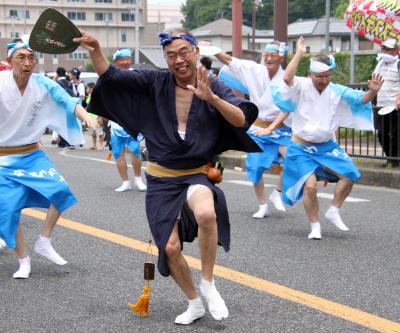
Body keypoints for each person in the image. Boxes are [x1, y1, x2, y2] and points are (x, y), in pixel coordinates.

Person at [75, 28, 260, 324]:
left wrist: (211, 99)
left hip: (195, 174)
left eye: (184, 52)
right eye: (171, 55)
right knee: (170, 248)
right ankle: (194, 302)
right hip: (162, 179)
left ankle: (208, 283)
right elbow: (111, 76)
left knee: (207, 214)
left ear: (196, 52)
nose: (178, 60)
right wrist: (95, 49)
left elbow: (241, 119)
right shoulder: (155, 80)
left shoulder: (212, 85)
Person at [265, 37, 383, 240]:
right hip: (301, 148)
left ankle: (334, 210)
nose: (324, 80)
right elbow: (286, 79)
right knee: (310, 186)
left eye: (327, 76)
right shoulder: (301, 85)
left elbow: (360, 99)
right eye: (319, 76)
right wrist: (299, 53)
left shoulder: (336, 90)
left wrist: (372, 91)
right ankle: (315, 225)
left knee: (350, 174)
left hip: (326, 147)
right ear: (310, 73)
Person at [0, 40, 95, 278]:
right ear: (11, 60)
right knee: (11, 211)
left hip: (32, 154)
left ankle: (44, 240)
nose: (27, 63)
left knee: (60, 192)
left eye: (31, 58)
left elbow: (68, 101)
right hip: (3, 159)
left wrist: (85, 117)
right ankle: (23, 260)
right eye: (21, 57)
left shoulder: (42, 83)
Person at [215, 41, 291, 218]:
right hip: (258, 127)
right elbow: (229, 60)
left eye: (273, 55)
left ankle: (277, 192)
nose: (268, 58)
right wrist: (210, 49)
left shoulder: (286, 78)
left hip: (280, 128)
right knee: (255, 167)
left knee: (293, 158)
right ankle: (262, 204)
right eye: (266, 55)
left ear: (281, 57)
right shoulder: (254, 70)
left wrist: (272, 128)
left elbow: (288, 108)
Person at [108, 48, 147, 192]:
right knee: (118, 153)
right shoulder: (111, 76)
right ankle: (125, 182)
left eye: (127, 59)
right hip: (115, 122)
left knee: (136, 151)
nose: (125, 61)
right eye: (122, 59)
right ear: (116, 61)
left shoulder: (136, 75)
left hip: (133, 121)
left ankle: (138, 179)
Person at [373, 38, 400, 167]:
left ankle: (394, 159)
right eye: (383, 49)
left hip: (394, 105)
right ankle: (391, 157)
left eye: (387, 49)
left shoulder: (398, 64)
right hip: (380, 104)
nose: (384, 51)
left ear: (396, 51)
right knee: (381, 133)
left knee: (395, 134)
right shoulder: (380, 64)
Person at [55, 67, 75, 149]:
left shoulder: (57, 83)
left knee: (61, 124)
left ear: (57, 73)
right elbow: (74, 93)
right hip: (70, 104)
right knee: (69, 124)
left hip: (61, 106)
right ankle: (71, 143)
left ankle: (62, 143)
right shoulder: (70, 82)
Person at [85, 82, 105, 150]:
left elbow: (100, 107)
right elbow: (87, 107)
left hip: (96, 117)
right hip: (90, 117)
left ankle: (101, 145)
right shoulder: (89, 96)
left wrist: (100, 117)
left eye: (87, 88)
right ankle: (94, 144)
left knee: (99, 132)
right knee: (92, 132)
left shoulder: (97, 96)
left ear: (91, 88)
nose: (86, 90)